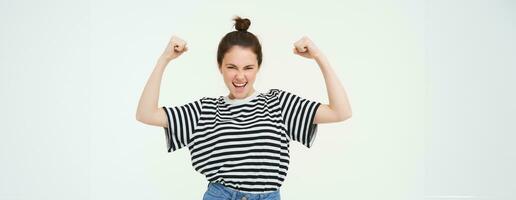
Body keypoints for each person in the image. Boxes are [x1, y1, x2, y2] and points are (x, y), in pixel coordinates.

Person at [136, 16, 352, 200]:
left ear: (258, 67)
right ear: (220, 66)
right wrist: (164, 59)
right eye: (231, 67)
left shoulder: (277, 104)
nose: (240, 76)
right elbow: (146, 114)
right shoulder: (205, 110)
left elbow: (340, 112)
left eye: (248, 67)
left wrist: (318, 56)